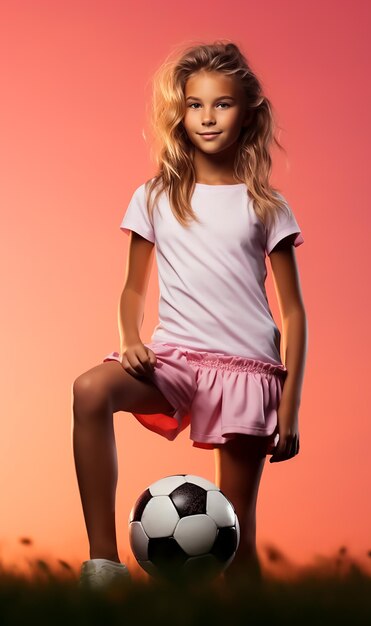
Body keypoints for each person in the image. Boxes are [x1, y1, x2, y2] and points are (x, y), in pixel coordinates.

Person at [72, 40, 307, 591]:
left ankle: (246, 615)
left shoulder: (266, 205)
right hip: (174, 359)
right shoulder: (155, 196)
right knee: (88, 390)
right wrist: (129, 338)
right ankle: (103, 566)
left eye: (222, 104)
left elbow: (293, 314)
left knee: (239, 536)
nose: (207, 117)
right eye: (195, 104)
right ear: (179, 113)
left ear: (248, 112)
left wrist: (290, 409)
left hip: (247, 372)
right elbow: (132, 289)